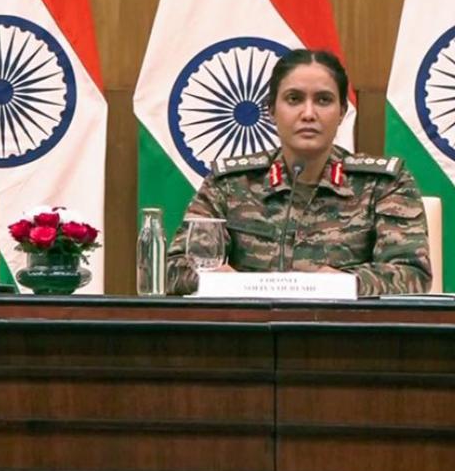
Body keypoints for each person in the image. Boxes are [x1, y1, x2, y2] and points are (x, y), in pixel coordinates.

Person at [167, 49, 431, 296]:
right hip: (249, 327)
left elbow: (412, 274)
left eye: (323, 100)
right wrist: (217, 280)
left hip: (343, 327)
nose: (308, 114)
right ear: (271, 110)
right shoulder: (231, 183)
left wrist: (345, 283)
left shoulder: (382, 183)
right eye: (294, 99)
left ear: (341, 112)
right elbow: (174, 269)